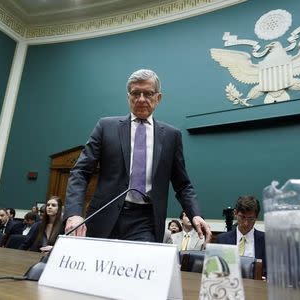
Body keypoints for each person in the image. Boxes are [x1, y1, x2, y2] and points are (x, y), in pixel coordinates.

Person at [64, 69, 211, 243]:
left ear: (158, 98)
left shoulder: (172, 135)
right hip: (104, 216)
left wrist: (195, 214)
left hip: (145, 221)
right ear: (128, 97)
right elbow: (80, 171)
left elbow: (182, 184)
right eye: (136, 93)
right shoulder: (106, 127)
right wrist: (73, 214)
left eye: (148, 93)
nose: (141, 99)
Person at [216, 196, 266, 271]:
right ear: (235, 213)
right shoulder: (222, 240)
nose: (246, 223)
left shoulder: (266, 240)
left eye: (251, 219)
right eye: (242, 217)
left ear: (257, 217)